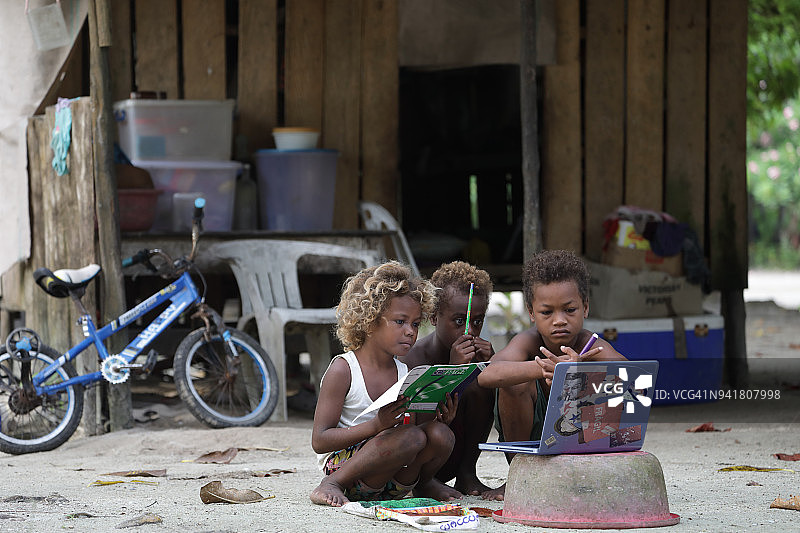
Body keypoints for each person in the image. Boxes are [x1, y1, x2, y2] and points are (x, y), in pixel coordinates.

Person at [476, 249, 627, 500]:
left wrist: (584, 373)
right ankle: (520, 477)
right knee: (514, 384)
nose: (559, 320)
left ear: (585, 307)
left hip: (581, 446)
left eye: (569, 310)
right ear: (532, 313)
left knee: (607, 384)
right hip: (529, 446)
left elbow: (632, 378)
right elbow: (486, 374)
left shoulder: (590, 344)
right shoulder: (527, 342)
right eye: (547, 312)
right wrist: (543, 367)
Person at [310, 261, 459, 507]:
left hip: (391, 480)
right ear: (369, 322)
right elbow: (320, 440)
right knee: (409, 438)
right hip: (348, 472)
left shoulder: (406, 372)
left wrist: (439, 418)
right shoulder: (344, 369)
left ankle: (424, 482)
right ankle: (330, 484)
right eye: (400, 322)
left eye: (414, 323)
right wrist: (376, 425)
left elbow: (412, 429)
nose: (410, 331)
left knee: (440, 434)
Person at [401, 261, 495, 499]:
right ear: (433, 317)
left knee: (482, 386)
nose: (469, 332)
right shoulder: (412, 359)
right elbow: (411, 427)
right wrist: (452, 371)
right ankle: (425, 482)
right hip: (417, 465)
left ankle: (467, 474)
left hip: (456, 457)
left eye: (477, 321)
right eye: (458, 321)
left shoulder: (479, 357)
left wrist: (493, 367)